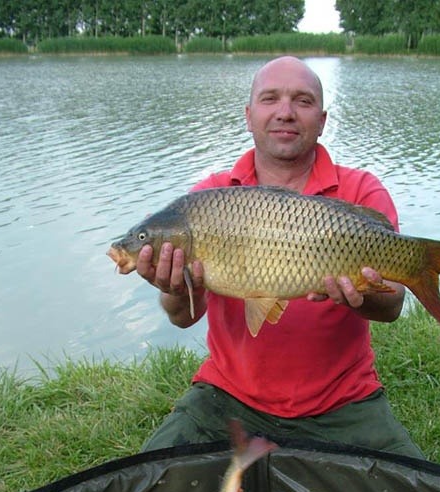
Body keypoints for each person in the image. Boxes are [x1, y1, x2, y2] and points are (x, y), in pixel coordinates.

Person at [136, 56, 424, 459]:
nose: (285, 112)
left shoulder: (361, 191)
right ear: (249, 115)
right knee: (153, 478)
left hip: (344, 399)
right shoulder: (208, 198)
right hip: (228, 394)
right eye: (270, 99)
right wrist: (172, 288)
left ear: (322, 120)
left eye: (302, 101)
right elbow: (182, 317)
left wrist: (365, 294)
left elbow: (392, 306)